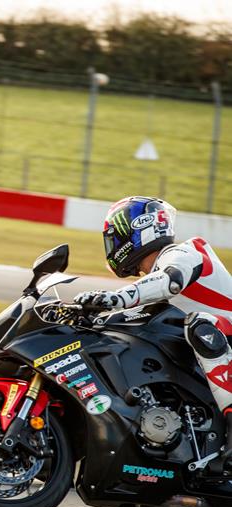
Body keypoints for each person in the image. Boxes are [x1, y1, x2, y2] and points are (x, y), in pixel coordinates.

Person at [74, 196, 232, 467]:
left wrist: (112, 298)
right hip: (213, 355)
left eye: (115, 237)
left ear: (138, 228)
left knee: (199, 322)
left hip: (224, 335)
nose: (111, 245)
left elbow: (170, 281)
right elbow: (133, 314)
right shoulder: (151, 284)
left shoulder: (186, 252)